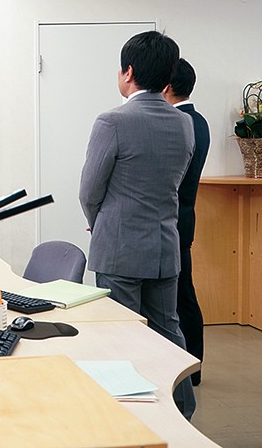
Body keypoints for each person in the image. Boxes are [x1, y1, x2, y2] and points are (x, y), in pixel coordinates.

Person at [78, 30, 196, 419]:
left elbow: (89, 192)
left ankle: (131, 418)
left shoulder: (112, 121)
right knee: (168, 332)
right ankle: (182, 410)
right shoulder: (184, 124)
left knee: (122, 336)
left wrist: (100, 224)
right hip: (164, 246)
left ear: (127, 72)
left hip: (120, 250)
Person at [162, 58, 210, 387]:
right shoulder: (199, 121)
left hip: (170, 221)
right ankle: (193, 367)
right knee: (184, 296)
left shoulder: (178, 123)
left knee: (181, 298)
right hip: (184, 218)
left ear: (166, 85)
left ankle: (190, 368)